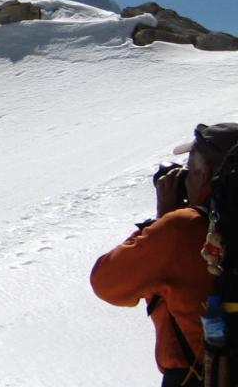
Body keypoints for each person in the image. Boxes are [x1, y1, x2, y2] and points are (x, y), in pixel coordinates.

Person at [92, 123, 238, 386]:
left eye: (188, 168)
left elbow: (106, 284)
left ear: (204, 174)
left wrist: (162, 221)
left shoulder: (180, 228)